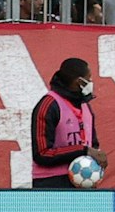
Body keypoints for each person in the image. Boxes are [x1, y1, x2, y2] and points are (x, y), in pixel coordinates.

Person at [30, 57, 104, 189]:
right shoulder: (48, 105)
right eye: (89, 79)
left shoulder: (86, 106)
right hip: (51, 183)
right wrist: (83, 151)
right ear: (79, 82)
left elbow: (92, 144)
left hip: (84, 181)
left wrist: (96, 157)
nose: (91, 83)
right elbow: (42, 154)